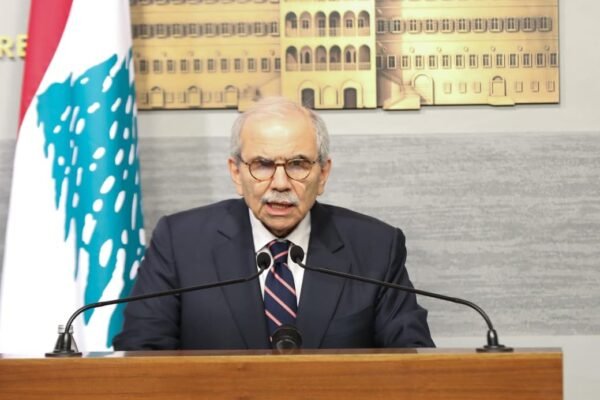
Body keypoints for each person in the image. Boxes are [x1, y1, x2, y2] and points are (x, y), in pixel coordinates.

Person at [113, 97, 434, 350]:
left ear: (323, 173)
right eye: (263, 165)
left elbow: (414, 360)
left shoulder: (376, 247)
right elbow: (141, 356)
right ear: (236, 173)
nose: (280, 183)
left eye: (298, 164)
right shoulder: (179, 242)